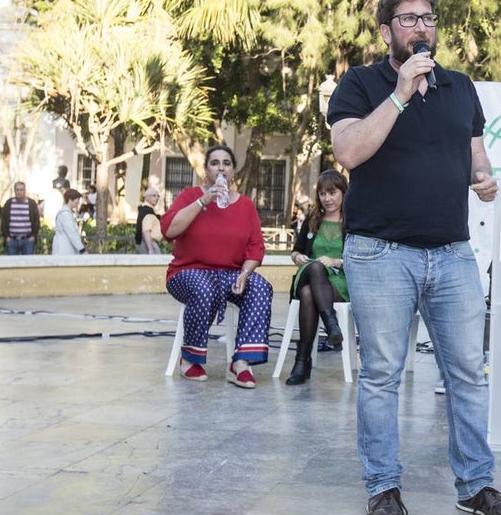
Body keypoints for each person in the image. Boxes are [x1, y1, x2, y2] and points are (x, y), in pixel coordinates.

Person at [328, 0, 501, 515]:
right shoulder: (362, 84)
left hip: (452, 254)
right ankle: (383, 487)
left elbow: (473, 154)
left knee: (467, 374)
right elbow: (349, 151)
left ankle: (477, 485)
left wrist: (482, 180)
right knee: (383, 374)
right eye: (408, 20)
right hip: (379, 254)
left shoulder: (459, 87)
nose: (421, 28)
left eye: (428, 19)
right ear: (386, 31)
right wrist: (400, 94)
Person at [161, 145, 273, 389]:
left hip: (231, 273)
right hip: (188, 272)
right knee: (203, 288)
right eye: (214, 163)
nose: (221, 167)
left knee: (260, 287)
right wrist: (204, 200)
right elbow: (168, 230)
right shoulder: (190, 196)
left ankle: (241, 362)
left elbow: (256, 247)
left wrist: (245, 273)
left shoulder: (245, 206)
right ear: (206, 170)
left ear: (233, 172)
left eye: (226, 163)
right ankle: (189, 358)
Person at [285, 169, 349, 385]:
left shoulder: (352, 221)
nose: (327, 199)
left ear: (343, 192)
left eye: (332, 193)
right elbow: (295, 250)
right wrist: (298, 257)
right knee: (315, 268)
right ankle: (331, 325)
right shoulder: (313, 218)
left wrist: (337, 261)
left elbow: (358, 256)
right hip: (309, 271)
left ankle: (302, 362)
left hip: (339, 282)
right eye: (323, 194)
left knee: (307, 294)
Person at [1, 181, 41, 255]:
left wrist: (33, 236)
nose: (19, 192)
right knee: (12, 265)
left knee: (28, 264)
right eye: (17, 190)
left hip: (27, 240)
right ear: (15, 191)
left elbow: (36, 221)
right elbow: (3, 221)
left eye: (21, 190)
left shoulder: (31, 204)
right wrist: (6, 237)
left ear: (25, 191)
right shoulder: (9, 203)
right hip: (12, 240)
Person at [51, 189, 87, 255]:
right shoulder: (65, 214)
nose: (78, 203)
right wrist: (82, 249)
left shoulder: (67, 213)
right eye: (77, 201)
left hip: (65, 248)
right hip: (64, 249)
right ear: (70, 200)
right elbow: (72, 233)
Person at [135, 187, 164, 254]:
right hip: (148, 243)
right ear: (147, 197)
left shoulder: (149, 210)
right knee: (155, 262)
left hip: (148, 242)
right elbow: (146, 231)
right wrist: (150, 249)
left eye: (158, 196)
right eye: (154, 195)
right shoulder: (147, 211)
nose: (156, 198)